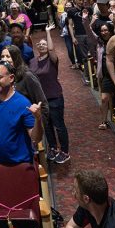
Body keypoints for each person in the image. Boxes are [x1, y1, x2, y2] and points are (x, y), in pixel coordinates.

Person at [0, 62, 43, 166]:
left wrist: (38, 119)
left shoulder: (23, 103)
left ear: (11, 78)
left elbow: (35, 139)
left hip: (20, 163)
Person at [30, 29, 70, 164]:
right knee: (47, 126)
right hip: (41, 99)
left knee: (59, 125)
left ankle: (64, 151)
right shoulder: (32, 62)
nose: (41, 45)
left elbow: (52, 50)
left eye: (44, 44)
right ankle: (52, 148)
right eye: (39, 44)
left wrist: (47, 33)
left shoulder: (52, 59)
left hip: (54, 96)